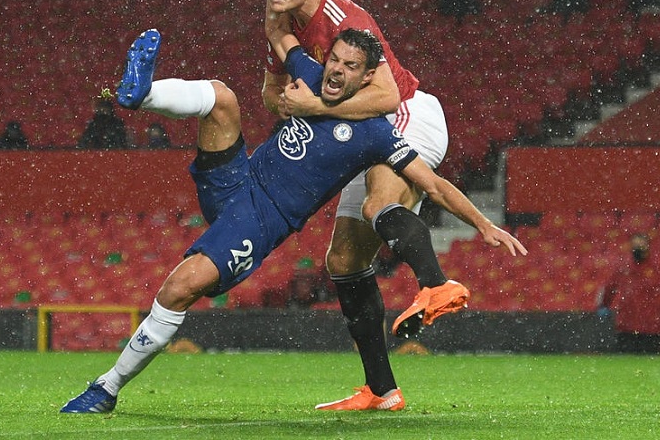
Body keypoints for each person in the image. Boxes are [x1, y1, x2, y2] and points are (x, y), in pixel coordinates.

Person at [60, 25, 525, 414]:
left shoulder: (376, 134)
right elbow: (279, 36)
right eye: (335, 60)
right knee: (222, 99)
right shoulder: (309, 73)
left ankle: (106, 388)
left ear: (367, 81)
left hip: (261, 221)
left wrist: (481, 224)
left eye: (349, 67)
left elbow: (434, 184)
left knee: (179, 287)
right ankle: (139, 95)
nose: (336, 70)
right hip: (237, 180)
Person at [261, 0, 465, 410]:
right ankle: (382, 390)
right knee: (343, 263)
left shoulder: (344, 19)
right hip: (360, 132)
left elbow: (388, 95)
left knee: (379, 203)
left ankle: (437, 285)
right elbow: (271, 93)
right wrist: (288, 105)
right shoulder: (281, 29)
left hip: (406, 114)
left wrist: (315, 109)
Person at [598, 233, 660, 354]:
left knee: (651, 362)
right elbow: (609, 287)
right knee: (627, 363)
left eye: (641, 245)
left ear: (648, 246)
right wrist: (604, 305)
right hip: (627, 325)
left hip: (654, 326)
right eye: (635, 246)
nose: (638, 249)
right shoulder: (624, 267)